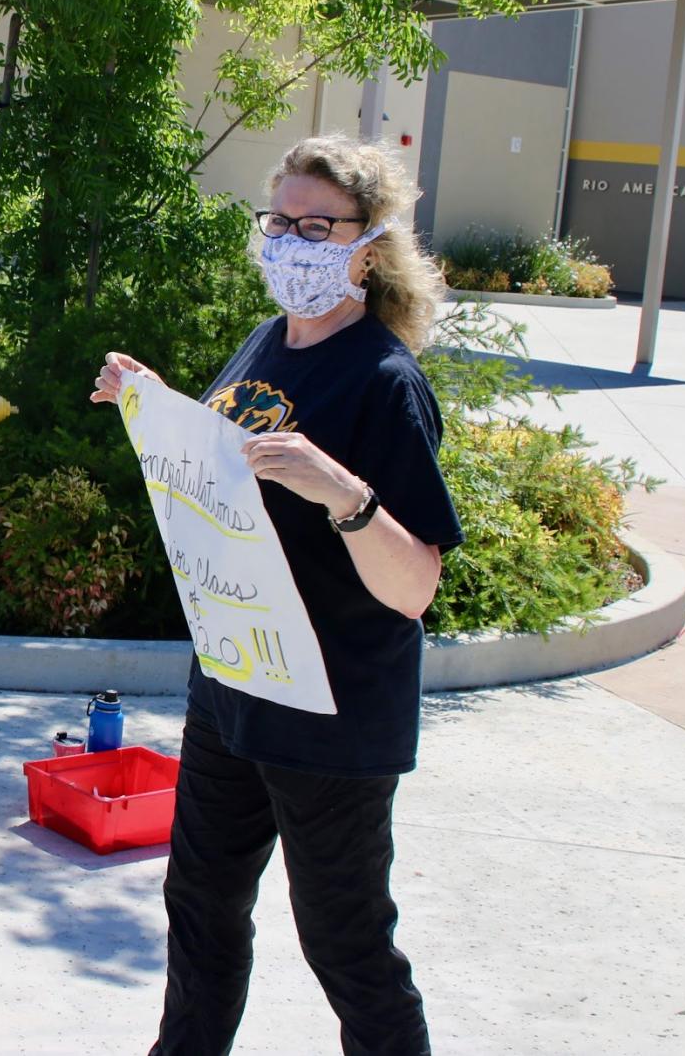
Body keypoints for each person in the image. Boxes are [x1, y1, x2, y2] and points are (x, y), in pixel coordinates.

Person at [92, 134, 463, 1055]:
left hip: (332, 712)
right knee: (200, 903)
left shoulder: (384, 381)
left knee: (343, 941)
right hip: (232, 685)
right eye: (279, 221)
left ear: (364, 249)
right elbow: (236, 463)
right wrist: (159, 403)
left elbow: (415, 584)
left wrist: (340, 493)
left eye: (315, 225)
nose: (290, 241)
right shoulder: (266, 340)